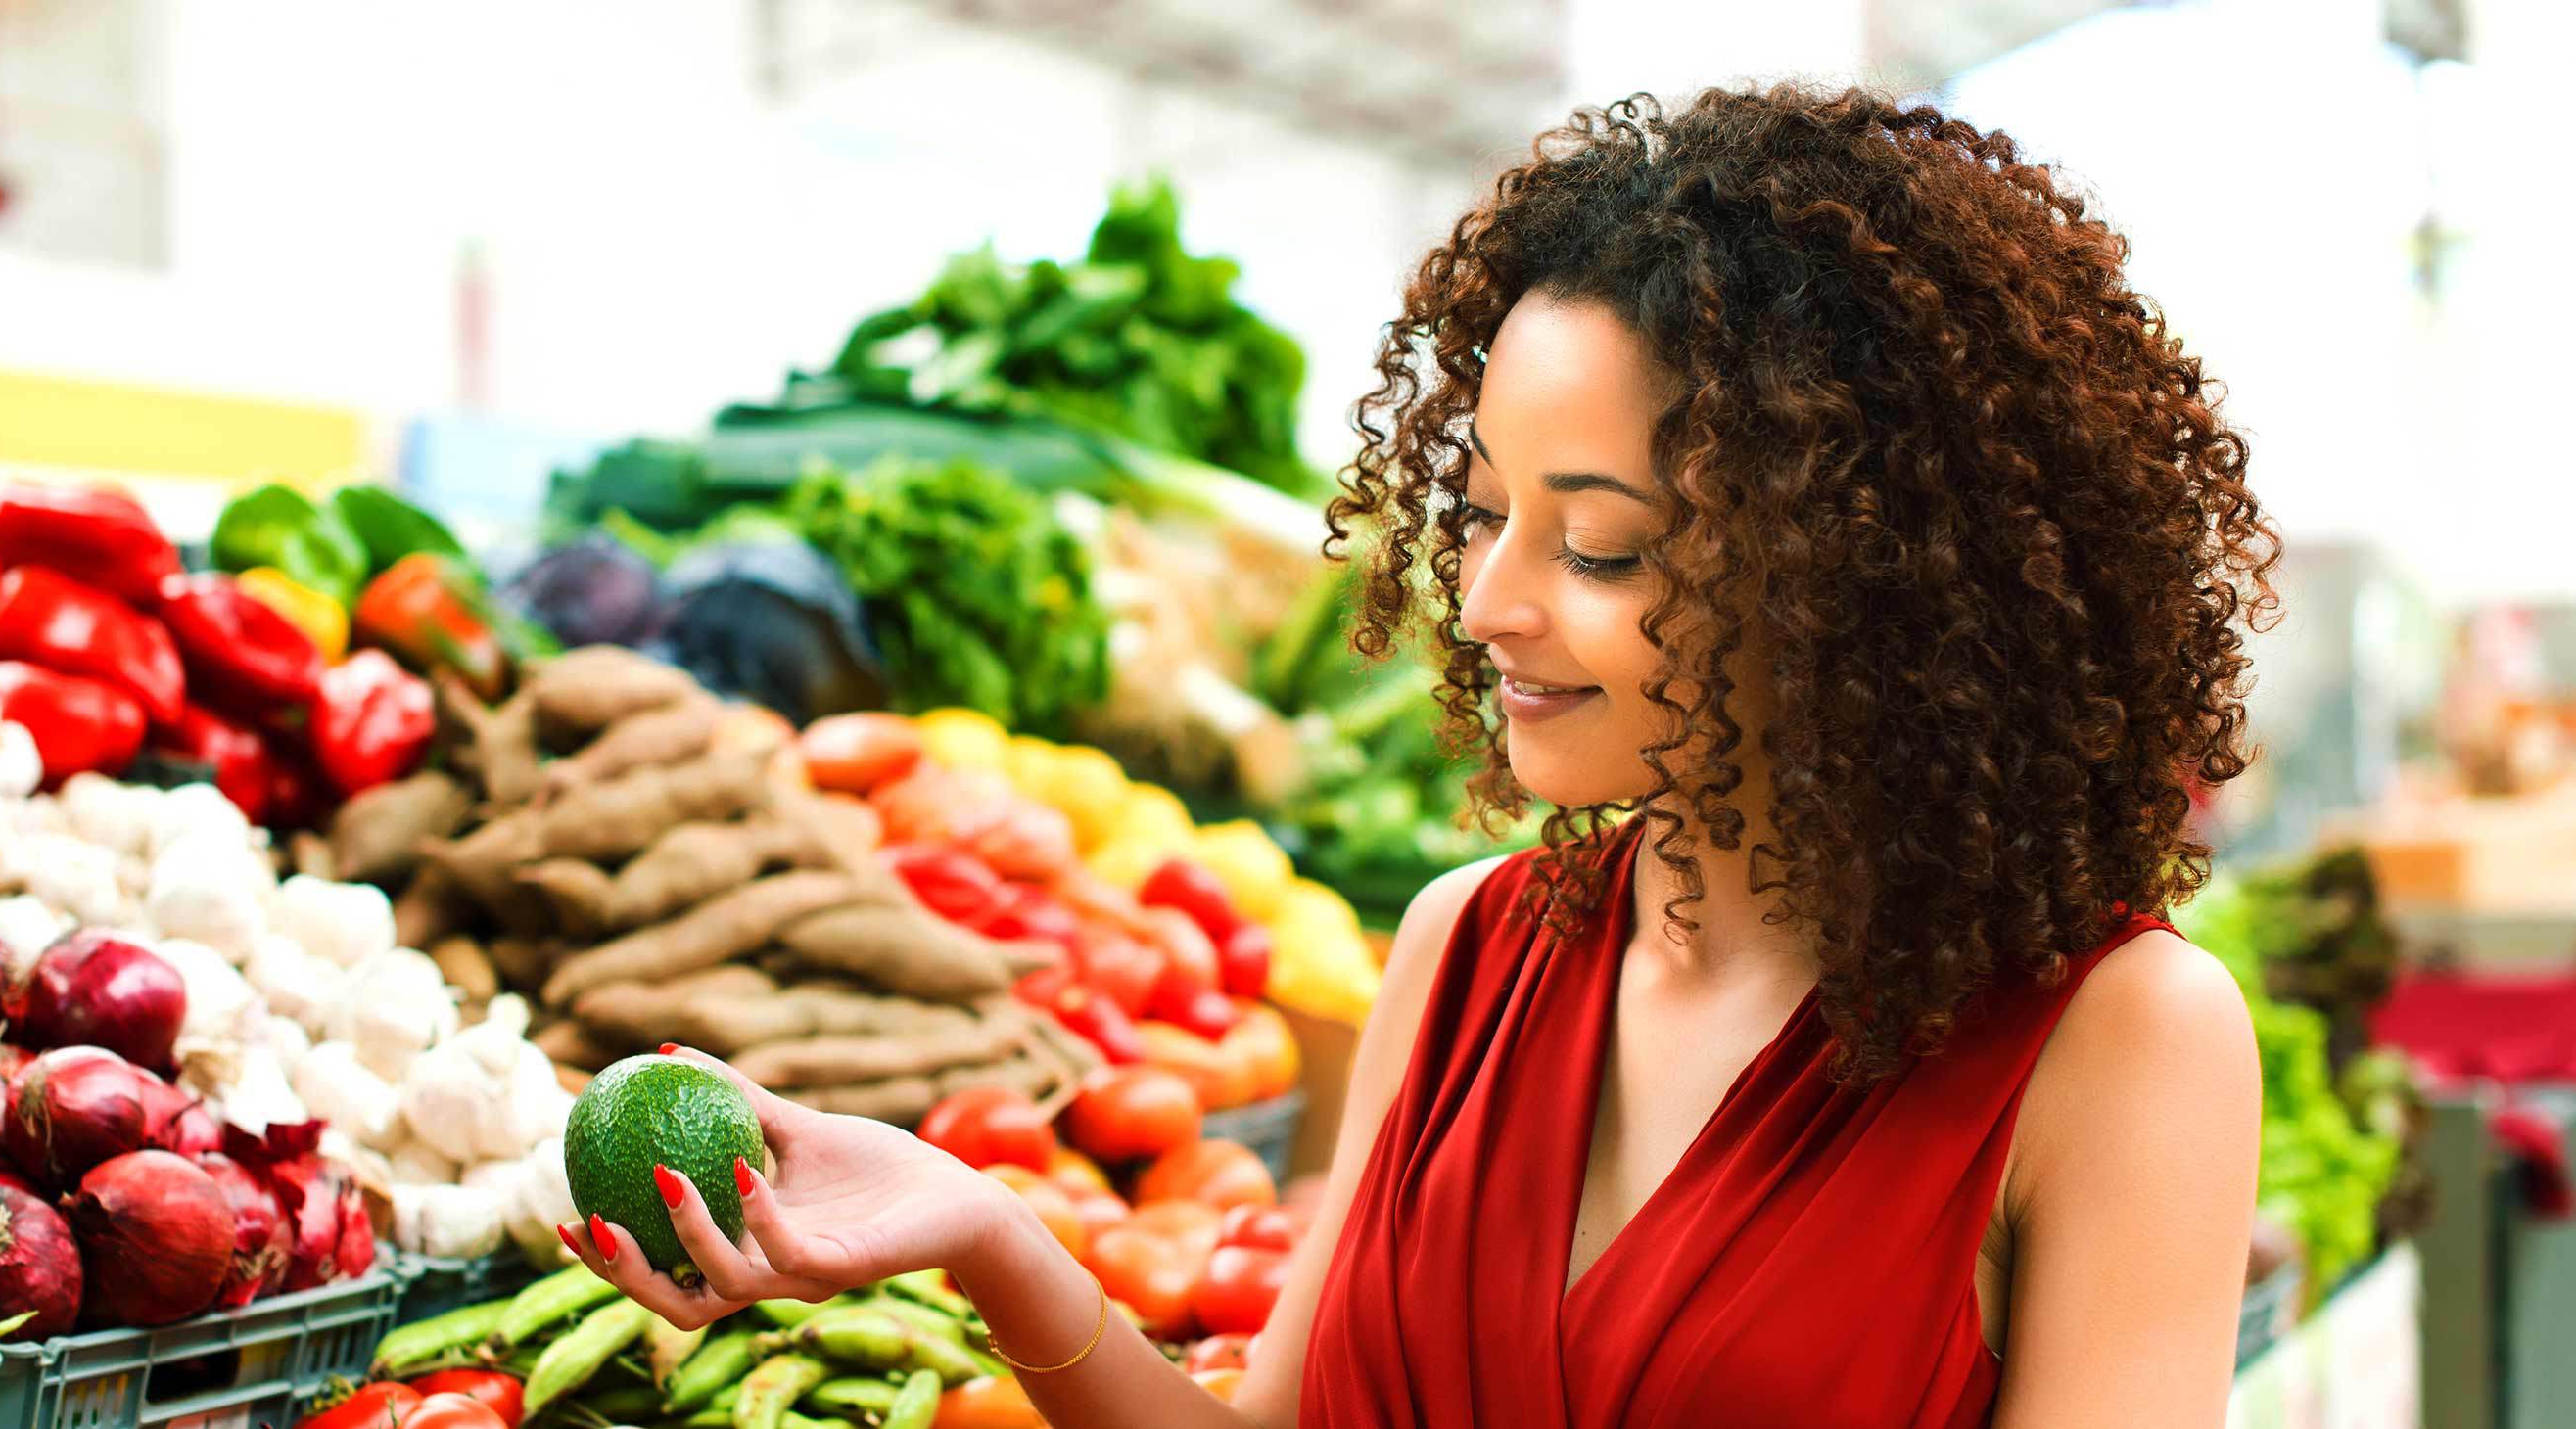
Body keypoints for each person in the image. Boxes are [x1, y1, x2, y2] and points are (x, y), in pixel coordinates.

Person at [559, 80, 2272, 1427]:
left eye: (1599, 546)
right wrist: (991, 1234)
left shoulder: (2114, 1043)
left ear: (1859, 569)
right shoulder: (1469, 948)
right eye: (1478, 518)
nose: (1491, 599)